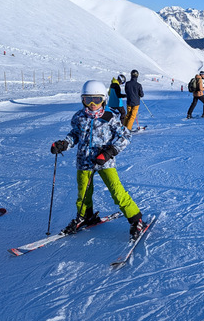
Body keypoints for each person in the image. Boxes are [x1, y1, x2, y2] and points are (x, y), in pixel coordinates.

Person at [50, 80, 147, 240]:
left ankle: (136, 219)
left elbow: (125, 136)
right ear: (83, 100)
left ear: (104, 100)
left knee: (117, 191)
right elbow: (75, 134)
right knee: (83, 192)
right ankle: (86, 216)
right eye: (88, 100)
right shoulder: (79, 117)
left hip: (105, 161)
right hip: (84, 161)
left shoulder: (109, 117)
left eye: (97, 99)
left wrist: (109, 152)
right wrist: (64, 144)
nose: (93, 104)